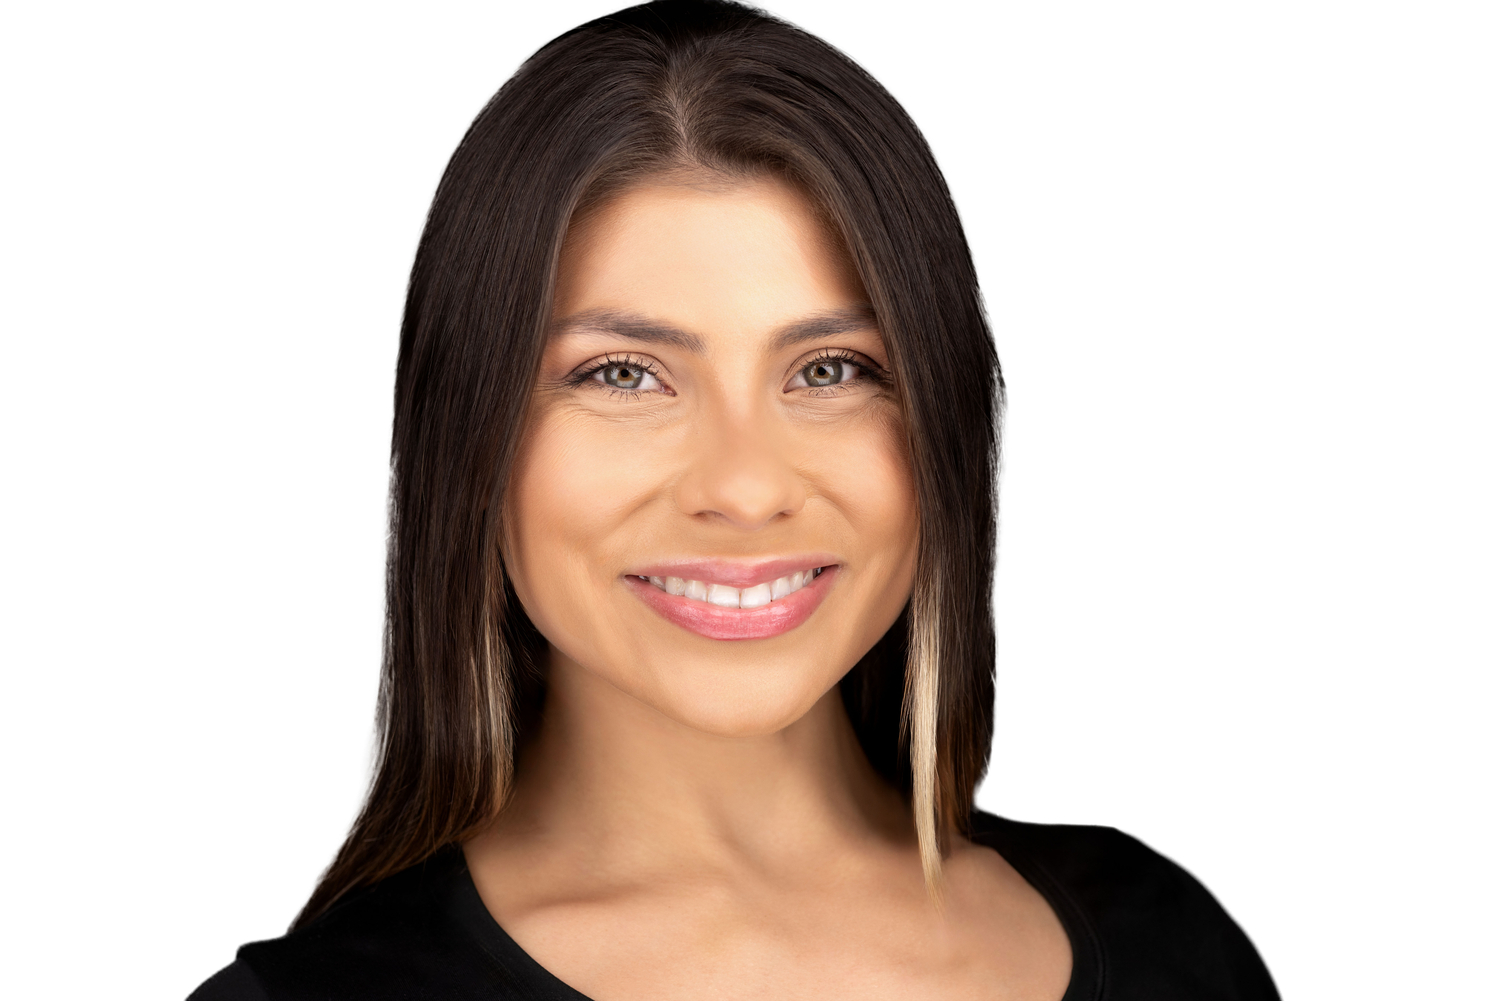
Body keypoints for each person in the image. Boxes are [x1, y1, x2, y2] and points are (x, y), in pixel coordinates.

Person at [190, 2, 1279, 998]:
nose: (747, 486)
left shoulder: (1171, 945)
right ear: (468, 429)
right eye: (624, 374)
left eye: (831, 369)